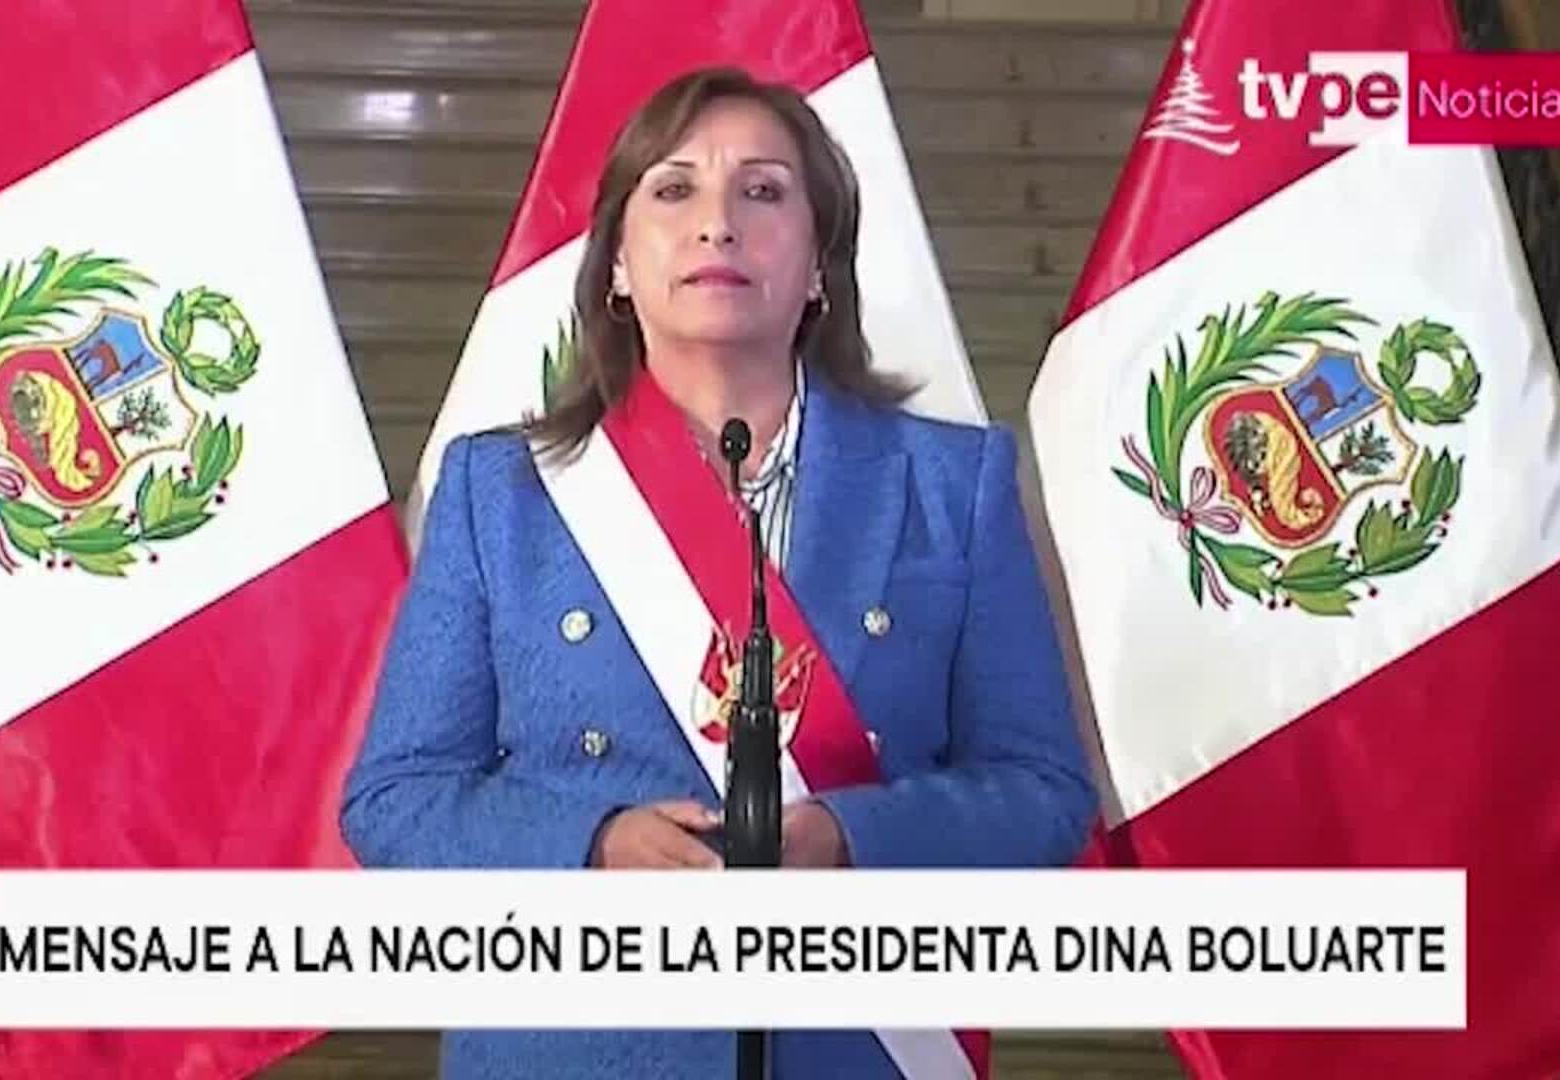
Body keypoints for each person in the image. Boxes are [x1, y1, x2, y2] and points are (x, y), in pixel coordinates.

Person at [340, 66, 1096, 1079]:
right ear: (616, 265)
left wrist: (853, 836)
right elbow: (397, 799)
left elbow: (1043, 791)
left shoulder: (953, 486)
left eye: (764, 191)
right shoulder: (502, 493)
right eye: (673, 189)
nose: (717, 224)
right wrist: (594, 842)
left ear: (820, 266)